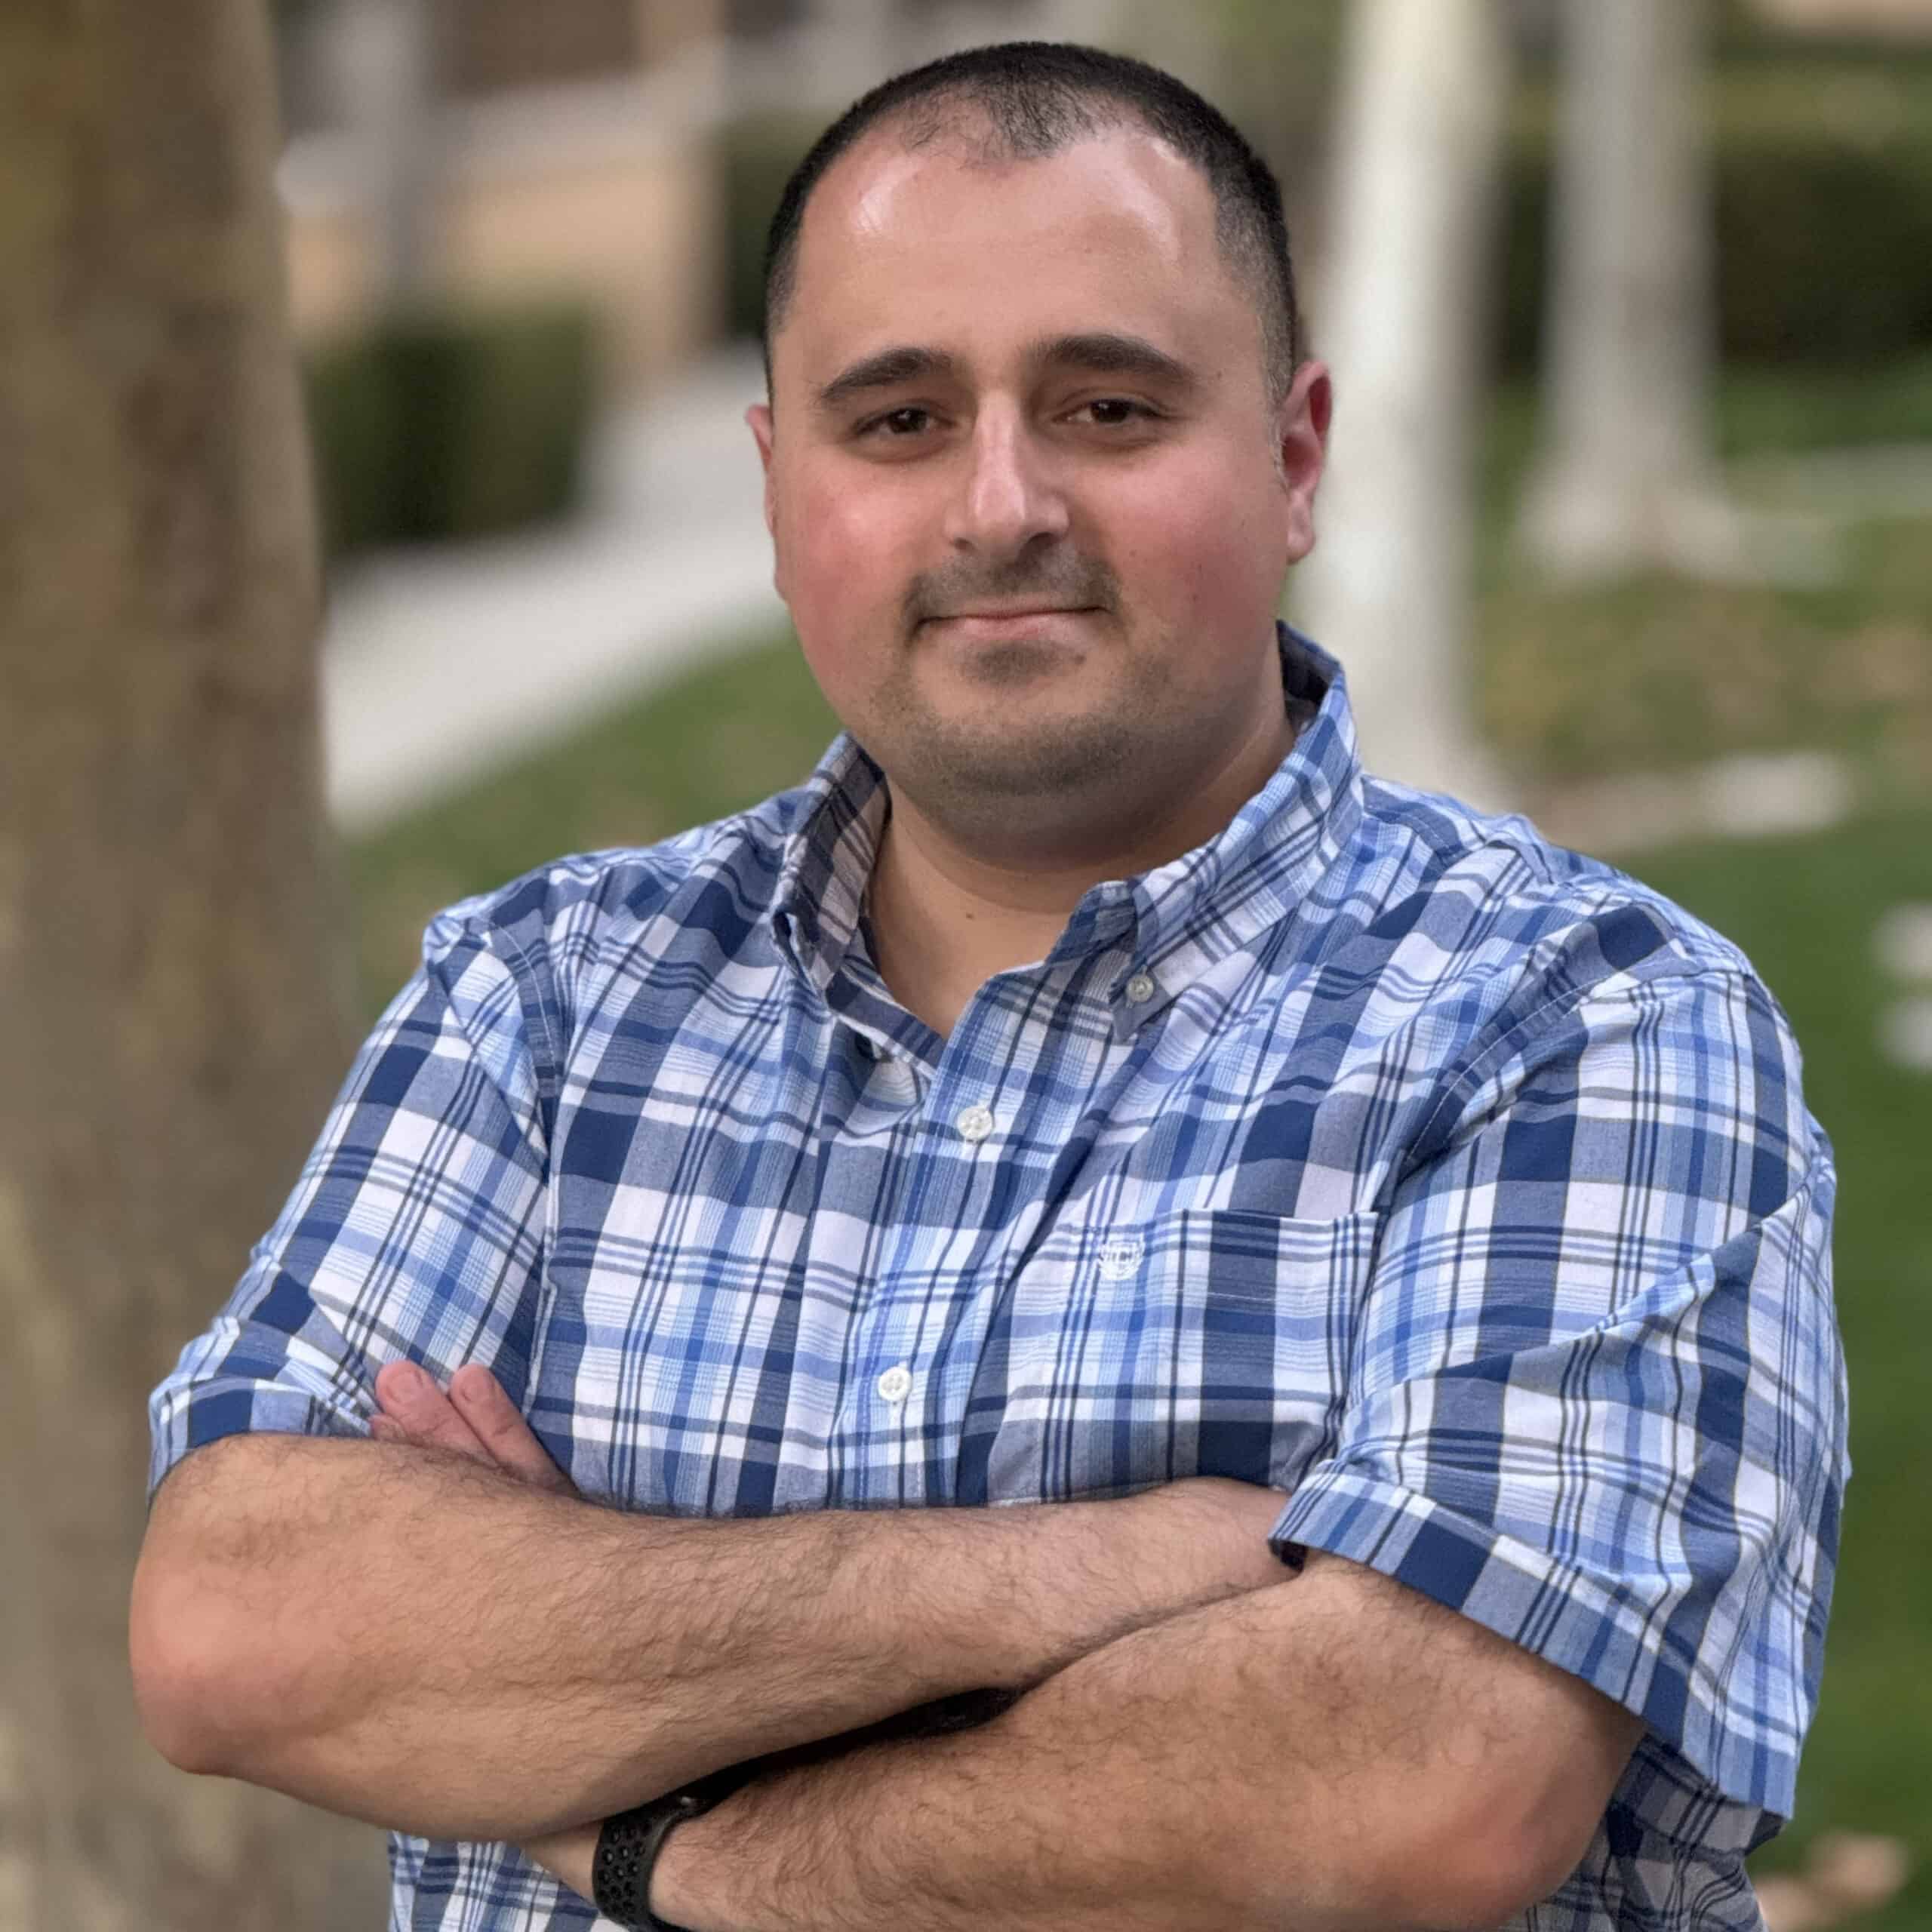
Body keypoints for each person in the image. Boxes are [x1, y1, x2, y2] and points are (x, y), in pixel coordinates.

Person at [131, 41, 1847, 1932]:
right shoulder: (541, 1000)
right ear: (782, 489)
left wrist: (654, 1820)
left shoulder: (1579, 1019)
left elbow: (1414, 1776)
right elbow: (238, 1617)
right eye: (897, 422)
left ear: (1289, 457)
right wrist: (1084, 1573)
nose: (999, 503)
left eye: (1107, 407)